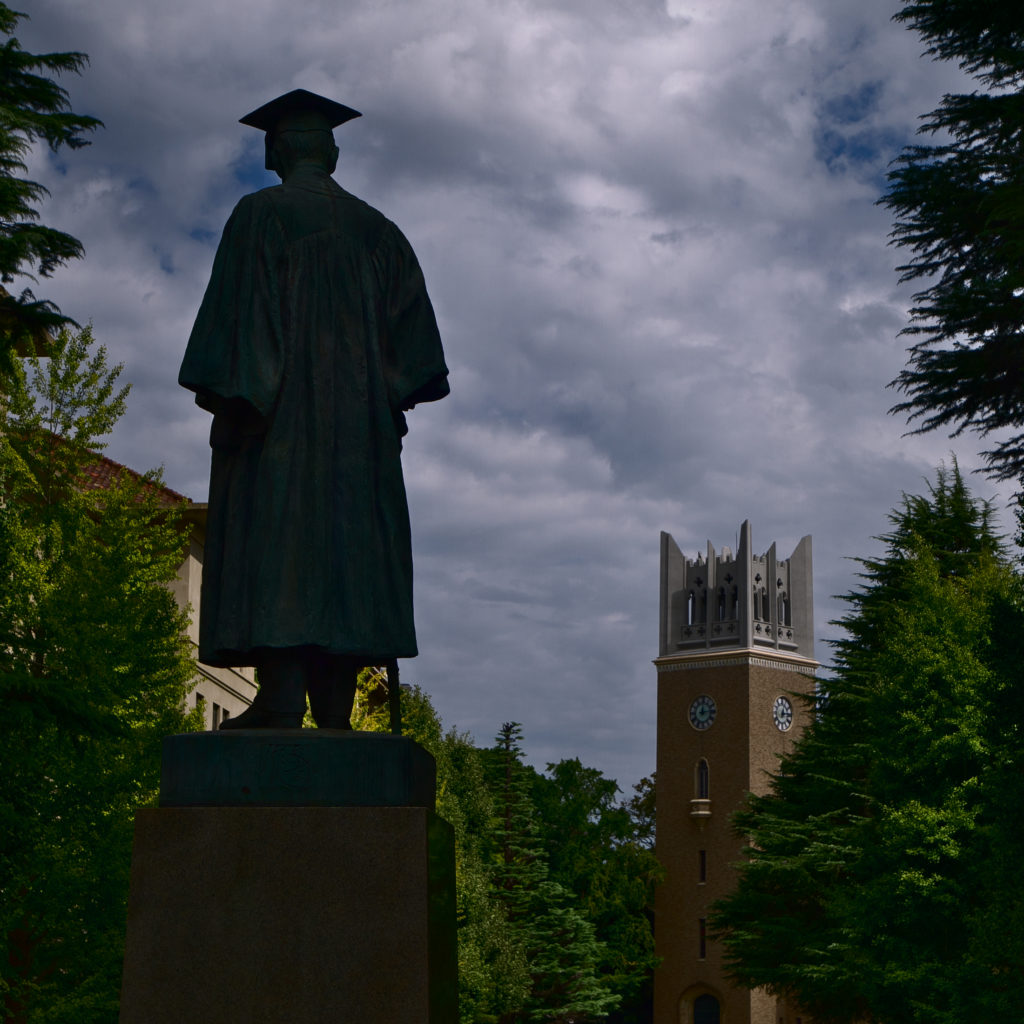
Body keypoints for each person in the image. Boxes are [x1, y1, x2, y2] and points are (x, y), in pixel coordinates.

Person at [179, 89, 449, 730]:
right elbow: (419, 362)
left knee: (283, 540)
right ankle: (334, 716)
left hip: (278, 430)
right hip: (362, 442)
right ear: (331, 152)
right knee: (349, 554)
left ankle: (279, 701)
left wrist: (242, 401)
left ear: (276, 151)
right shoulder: (383, 233)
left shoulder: (259, 215)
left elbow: (235, 343)